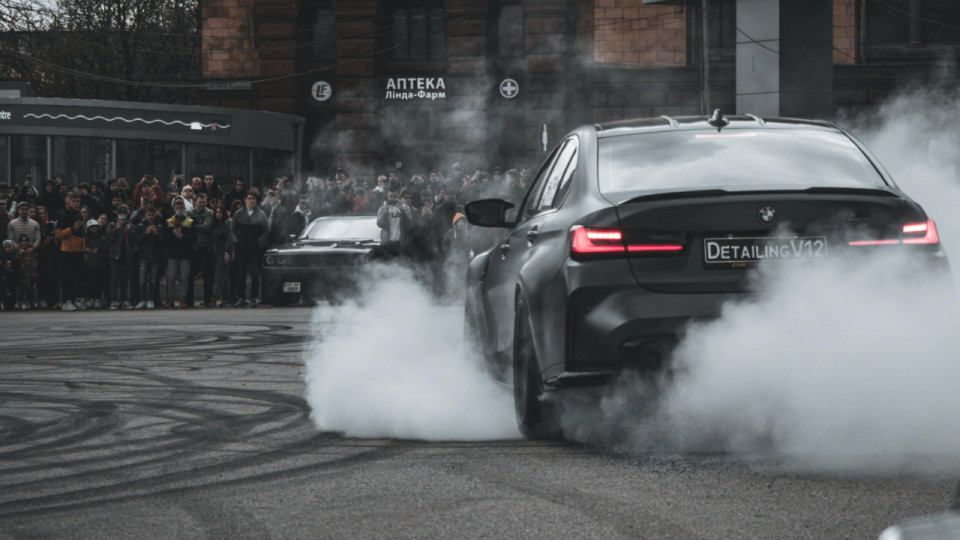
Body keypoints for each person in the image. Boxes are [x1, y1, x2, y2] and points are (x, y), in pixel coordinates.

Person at [231, 192, 268, 307]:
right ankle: (241, 297)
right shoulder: (239, 213)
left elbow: (266, 230)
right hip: (241, 246)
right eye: (249, 199)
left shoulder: (261, 214)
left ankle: (253, 297)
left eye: (254, 199)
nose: (252, 201)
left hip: (254, 247)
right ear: (245, 200)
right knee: (241, 271)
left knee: (254, 272)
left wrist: (260, 242)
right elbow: (232, 229)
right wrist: (236, 241)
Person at [55, 192, 86, 311]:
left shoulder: (78, 214)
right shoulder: (63, 214)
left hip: (79, 249)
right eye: (73, 201)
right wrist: (72, 229)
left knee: (77, 277)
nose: (76, 204)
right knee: (67, 277)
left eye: (78, 201)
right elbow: (58, 234)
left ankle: (75, 299)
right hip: (67, 250)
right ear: (67, 201)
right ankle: (67, 300)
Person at [163, 197, 196, 308]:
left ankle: (183, 299)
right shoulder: (169, 221)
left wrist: (183, 236)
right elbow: (165, 237)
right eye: (177, 207)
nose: (179, 208)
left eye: (181, 207)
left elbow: (193, 237)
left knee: (184, 277)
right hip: (172, 253)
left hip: (185, 254)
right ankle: (170, 299)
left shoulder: (189, 221)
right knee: (171, 277)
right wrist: (173, 235)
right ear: (174, 208)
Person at [188, 193, 215, 307]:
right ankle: (189, 300)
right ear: (195, 202)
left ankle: (208, 300)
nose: (202, 204)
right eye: (200, 202)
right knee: (190, 275)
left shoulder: (209, 213)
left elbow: (209, 227)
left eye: (204, 202)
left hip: (205, 247)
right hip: (193, 247)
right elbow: (187, 227)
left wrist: (195, 226)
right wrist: (201, 226)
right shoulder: (189, 213)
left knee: (207, 275)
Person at [134, 206, 163, 309]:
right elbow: (137, 240)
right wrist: (146, 233)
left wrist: (156, 233)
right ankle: (143, 299)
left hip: (155, 256)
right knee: (142, 279)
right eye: (149, 215)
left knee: (153, 279)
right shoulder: (140, 226)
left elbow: (162, 241)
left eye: (152, 215)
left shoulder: (159, 226)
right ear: (145, 215)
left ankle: (150, 299)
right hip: (143, 255)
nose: (150, 217)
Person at [106, 205, 134, 309]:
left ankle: (124, 299)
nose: (123, 215)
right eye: (121, 213)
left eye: (124, 213)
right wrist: (117, 229)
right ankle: (113, 299)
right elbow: (108, 239)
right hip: (115, 255)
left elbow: (134, 239)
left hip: (126, 255)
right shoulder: (112, 224)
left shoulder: (129, 225)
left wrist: (129, 230)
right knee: (115, 278)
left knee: (125, 278)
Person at [375, 181, 413, 258]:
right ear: (387, 196)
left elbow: (410, 225)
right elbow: (380, 224)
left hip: (401, 243)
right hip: (387, 243)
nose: (392, 199)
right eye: (390, 196)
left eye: (395, 196)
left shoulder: (405, 208)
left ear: (398, 196)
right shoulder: (382, 209)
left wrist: (402, 211)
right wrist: (385, 212)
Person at [211, 205, 234, 307]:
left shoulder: (227, 223)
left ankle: (214, 297)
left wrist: (227, 252)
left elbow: (229, 238)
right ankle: (226, 297)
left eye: (220, 212)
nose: (218, 214)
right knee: (223, 276)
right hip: (217, 252)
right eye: (216, 212)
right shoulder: (217, 224)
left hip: (224, 252)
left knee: (219, 276)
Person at [83, 219, 109, 308]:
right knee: (89, 282)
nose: (93, 229)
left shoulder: (102, 239)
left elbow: (106, 250)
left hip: (99, 264)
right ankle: (90, 298)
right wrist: (86, 250)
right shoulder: (86, 239)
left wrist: (99, 251)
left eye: (95, 227)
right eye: (91, 228)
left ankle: (97, 298)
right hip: (88, 264)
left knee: (98, 281)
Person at [16, 234, 38, 309]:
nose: (24, 243)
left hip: (31, 272)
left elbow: (34, 264)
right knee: (22, 282)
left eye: (26, 241)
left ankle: (30, 301)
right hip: (20, 273)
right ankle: (20, 301)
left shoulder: (33, 252)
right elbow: (17, 263)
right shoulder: (17, 252)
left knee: (29, 282)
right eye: (22, 241)